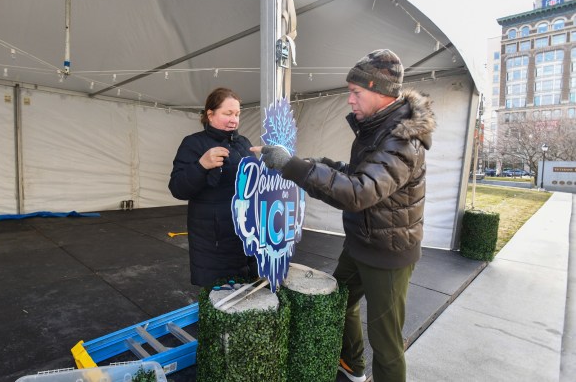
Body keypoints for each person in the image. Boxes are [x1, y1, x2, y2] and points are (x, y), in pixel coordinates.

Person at [251, 49, 436, 382]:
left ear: (381, 92)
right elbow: (354, 175)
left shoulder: (403, 140)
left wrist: (294, 167)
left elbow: (359, 193)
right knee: (340, 301)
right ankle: (353, 365)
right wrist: (309, 164)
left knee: (387, 343)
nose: (349, 100)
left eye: (356, 92)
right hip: (362, 241)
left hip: (388, 255)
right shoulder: (376, 128)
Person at [169, 87, 257, 287]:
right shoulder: (193, 143)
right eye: (228, 113)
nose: (234, 119)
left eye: (237, 114)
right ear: (210, 114)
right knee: (219, 297)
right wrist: (201, 166)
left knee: (248, 293)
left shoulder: (244, 143)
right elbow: (177, 188)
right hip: (214, 238)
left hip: (245, 231)